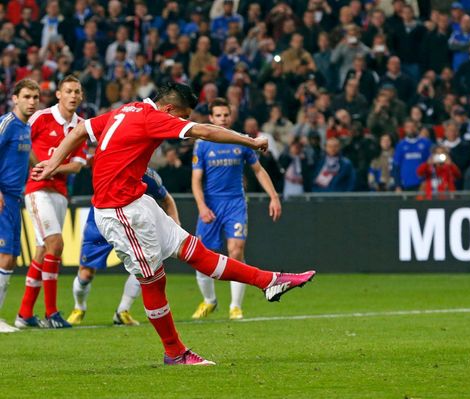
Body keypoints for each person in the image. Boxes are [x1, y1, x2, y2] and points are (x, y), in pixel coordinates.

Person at [33, 83, 315, 365]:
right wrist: (249, 140)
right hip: (119, 211)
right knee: (154, 281)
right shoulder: (152, 117)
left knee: (196, 251)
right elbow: (203, 131)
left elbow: (82, 130)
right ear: (169, 109)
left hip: (138, 201)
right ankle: (175, 352)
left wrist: (53, 162)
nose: (184, 122)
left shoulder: (127, 110)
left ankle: (268, 281)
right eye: (183, 116)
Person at [191, 98, 282, 321]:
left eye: (225, 115)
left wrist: (273, 196)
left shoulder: (240, 141)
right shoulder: (202, 143)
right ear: (211, 118)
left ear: (230, 117)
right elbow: (196, 179)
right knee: (202, 256)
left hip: (235, 203)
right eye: (218, 115)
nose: (222, 119)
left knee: (236, 250)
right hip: (211, 205)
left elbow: (258, 170)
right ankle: (210, 301)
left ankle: (235, 306)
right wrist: (202, 206)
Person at [66, 167, 180, 326]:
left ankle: (122, 311)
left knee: (144, 266)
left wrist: (176, 226)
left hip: (129, 224)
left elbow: (167, 199)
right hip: (100, 221)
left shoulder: (148, 175)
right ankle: (79, 307)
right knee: (86, 274)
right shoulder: (113, 164)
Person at [16, 75, 87, 329]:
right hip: (38, 190)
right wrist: (39, 167)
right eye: (68, 91)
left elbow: (78, 165)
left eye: (77, 92)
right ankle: (51, 313)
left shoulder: (81, 126)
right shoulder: (42, 117)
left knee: (42, 251)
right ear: (59, 94)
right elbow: (23, 141)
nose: (73, 95)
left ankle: (24, 314)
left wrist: (53, 168)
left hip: (59, 193)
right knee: (56, 244)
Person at [0, 79, 40, 333]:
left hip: (15, 199)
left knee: (10, 258)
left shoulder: (25, 128)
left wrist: (44, 166)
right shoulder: (8, 124)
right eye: (27, 96)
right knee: (4, 256)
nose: (32, 101)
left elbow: (30, 157)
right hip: (4, 197)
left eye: (36, 97)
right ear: (15, 98)